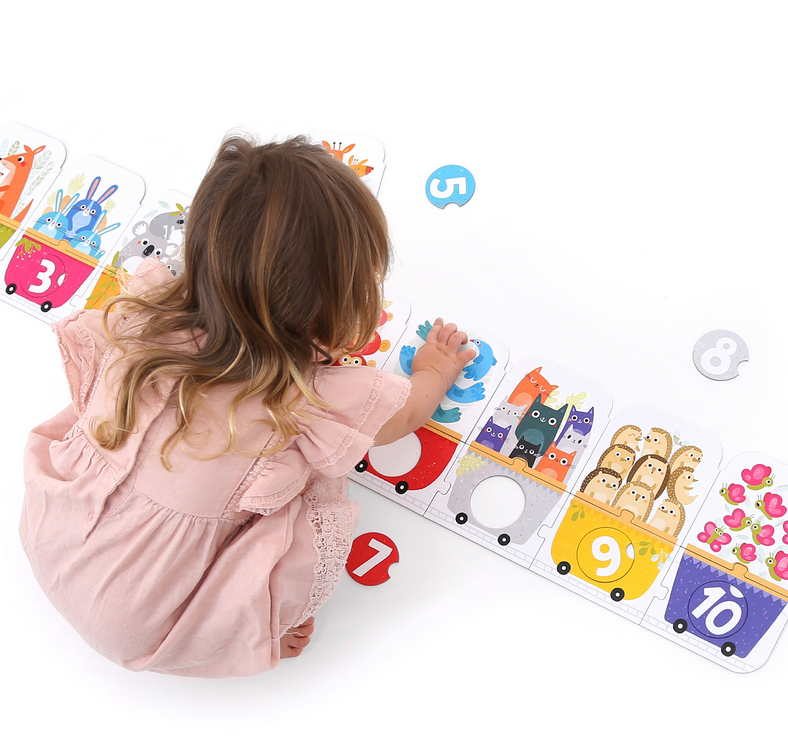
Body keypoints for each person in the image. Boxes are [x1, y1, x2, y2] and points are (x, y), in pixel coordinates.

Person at [20, 135, 475, 678]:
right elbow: (403, 418)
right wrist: (434, 372)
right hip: (153, 627)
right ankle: (256, 626)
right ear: (331, 308)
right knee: (321, 484)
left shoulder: (139, 318)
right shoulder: (308, 399)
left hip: (51, 538)